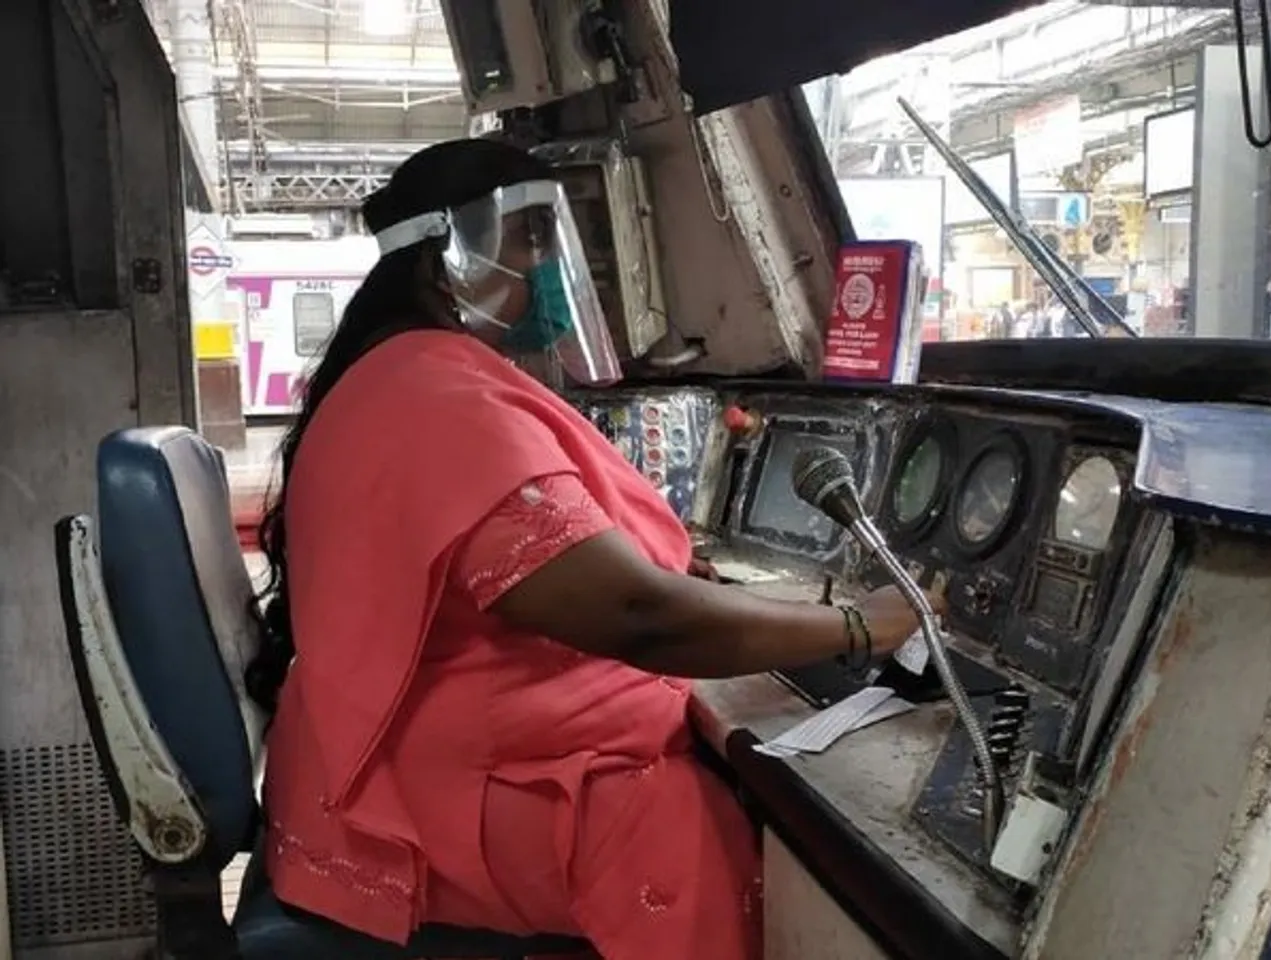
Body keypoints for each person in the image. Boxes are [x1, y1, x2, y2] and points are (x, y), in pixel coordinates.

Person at [247, 138, 945, 960]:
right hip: (427, 809)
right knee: (702, 823)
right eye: (530, 240)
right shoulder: (438, 395)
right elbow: (638, 617)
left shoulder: (408, 373)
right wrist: (856, 625)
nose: (551, 267)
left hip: (385, 773)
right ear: (449, 261)